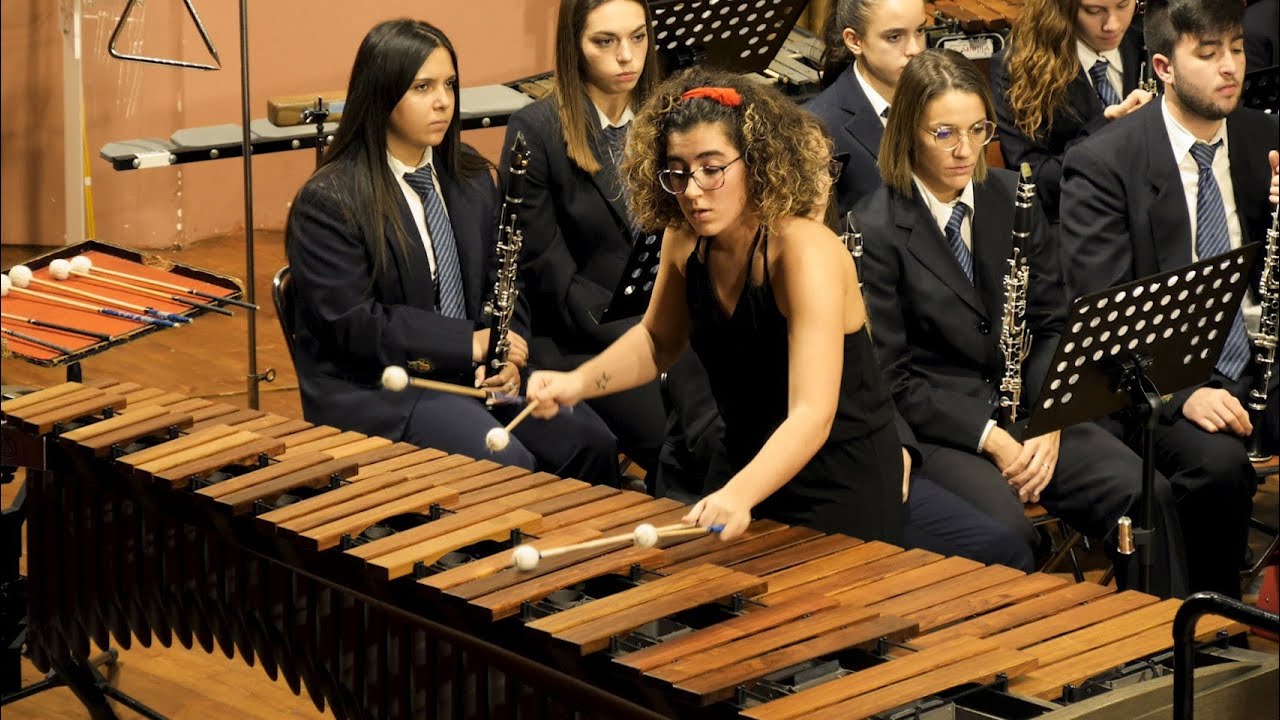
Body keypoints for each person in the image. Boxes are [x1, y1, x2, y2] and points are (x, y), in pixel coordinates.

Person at [856, 48, 1189, 597]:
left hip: (1032, 411)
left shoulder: (1014, 196)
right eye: (944, 133)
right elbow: (894, 378)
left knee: (1145, 490)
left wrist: (1051, 422)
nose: (966, 150)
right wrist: (990, 437)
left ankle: (1164, 651)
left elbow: (1054, 325)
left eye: (978, 129)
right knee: (1005, 534)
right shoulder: (875, 227)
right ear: (907, 133)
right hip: (950, 431)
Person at [525, 67, 904, 543]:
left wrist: (740, 494)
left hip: (840, 477)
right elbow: (657, 341)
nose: (693, 191)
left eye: (712, 168)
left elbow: (813, 413)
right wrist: (576, 383)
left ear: (756, 162)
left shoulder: (806, 253)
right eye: (678, 172)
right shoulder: (683, 241)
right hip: (745, 459)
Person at [284, 18, 619, 487]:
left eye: (449, 85)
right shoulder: (330, 200)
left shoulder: (472, 179)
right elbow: (353, 323)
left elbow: (508, 282)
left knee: (591, 443)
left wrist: (506, 354)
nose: (443, 101)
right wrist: (466, 341)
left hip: (474, 374)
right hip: (386, 385)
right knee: (508, 467)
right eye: (422, 87)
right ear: (381, 95)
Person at [1060, 0, 1279, 598]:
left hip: (1261, 362)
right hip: (1157, 380)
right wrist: (1184, 393)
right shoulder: (1104, 163)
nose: (1229, 67)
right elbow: (1105, 315)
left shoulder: (1264, 137)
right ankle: (1210, 627)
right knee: (1216, 467)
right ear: (1162, 66)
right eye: (1207, 55)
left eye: (1235, 48)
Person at [500, 0, 681, 479]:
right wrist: (646, 340)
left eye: (638, 38)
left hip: (664, 323)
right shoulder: (536, 131)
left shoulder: (666, 117)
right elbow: (549, 276)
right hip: (582, 339)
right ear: (574, 46)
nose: (627, 56)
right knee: (680, 443)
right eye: (606, 41)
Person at [991, 0, 1154, 224]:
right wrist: (1107, 127)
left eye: (1123, 5)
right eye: (1093, 11)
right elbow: (1032, 181)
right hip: (1077, 226)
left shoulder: (1153, 41)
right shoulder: (1017, 68)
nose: (1113, 25)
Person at [807, 0, 930, 216]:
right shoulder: (818, 127)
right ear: (854, 41)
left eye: (920, 31)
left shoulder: (943, 101)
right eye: (894, 37)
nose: (915, 49)